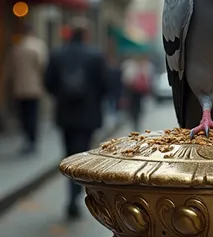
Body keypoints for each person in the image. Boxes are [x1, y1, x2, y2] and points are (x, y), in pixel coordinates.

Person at [44, 17, 109, 220]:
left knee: (68, 153)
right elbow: (105, 85)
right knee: (81, 154)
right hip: (88, 115)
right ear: (86, 35)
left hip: (65, 114)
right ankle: (75, 196)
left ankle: (71, 195)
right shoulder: (95, 56)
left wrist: (61, 97)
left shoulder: (58, 54)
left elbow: (48, 82)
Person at [8, 21, 47, 155]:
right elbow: (42, 66)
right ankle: (32, 140)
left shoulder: (17, 47)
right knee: (33, 115)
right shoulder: (38, 46)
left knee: (23, 115)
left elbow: (11, 69)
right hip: (34, 87)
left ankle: (27, 139)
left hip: (19, 88)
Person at [122, 54, 154, 130]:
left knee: (135, 108)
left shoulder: (134, 67)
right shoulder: (135, 66)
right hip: (134, 92)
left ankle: (135, 121)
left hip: (134, 92)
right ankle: (135, 121)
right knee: (135, 108)